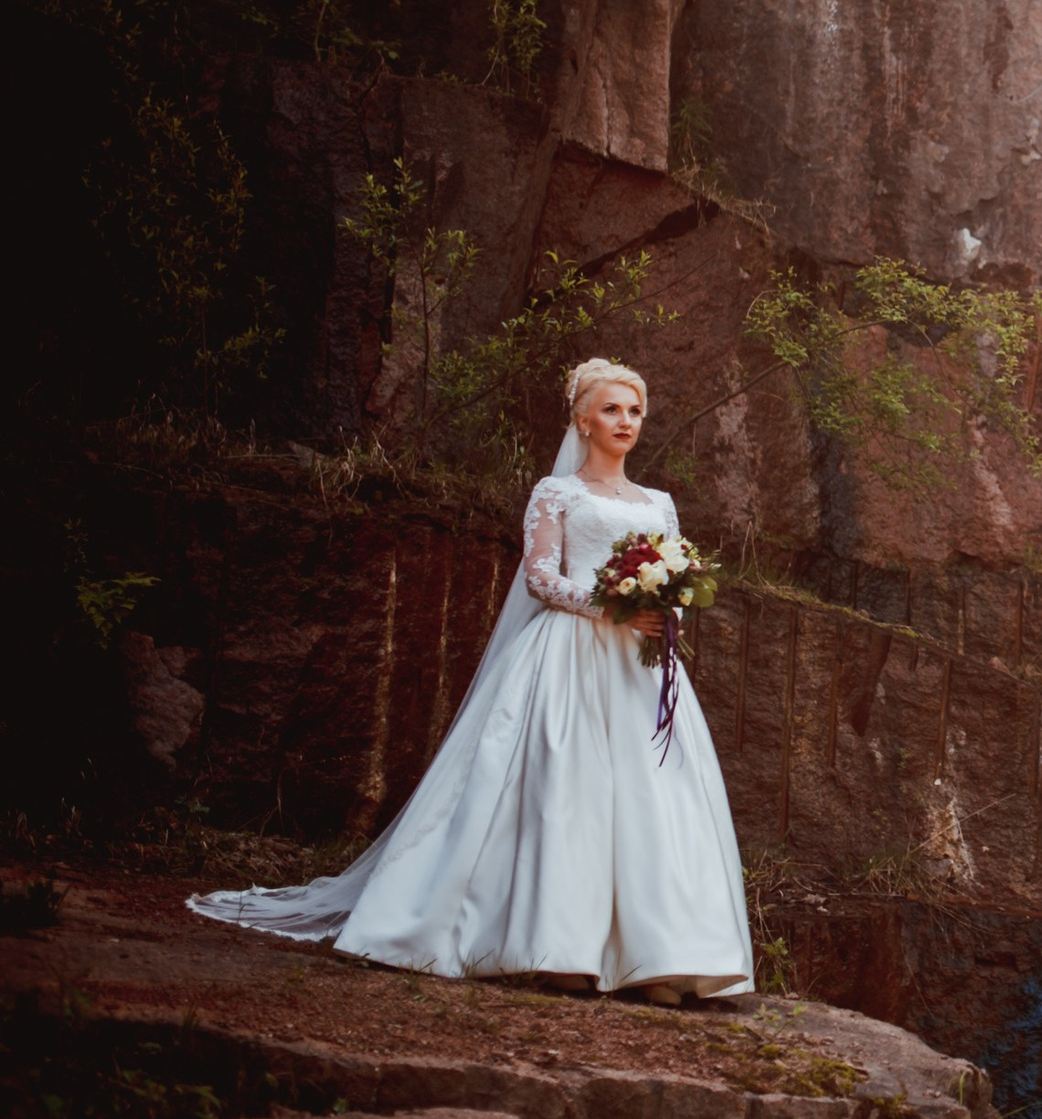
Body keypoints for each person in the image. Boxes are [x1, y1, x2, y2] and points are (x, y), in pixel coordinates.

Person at [190, 358, 755, 1003]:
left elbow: (678, 576)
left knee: (655, 802)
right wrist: (616, 608)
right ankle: (559, 949)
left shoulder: (659, 503)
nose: (624, 421)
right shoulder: (556, 493)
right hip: (567, 656)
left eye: (633, 411)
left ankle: (662, 959)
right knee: (565, 793)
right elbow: (541, 578)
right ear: (581, 419)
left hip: (641, 667)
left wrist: (666, 610)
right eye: (610, 409)